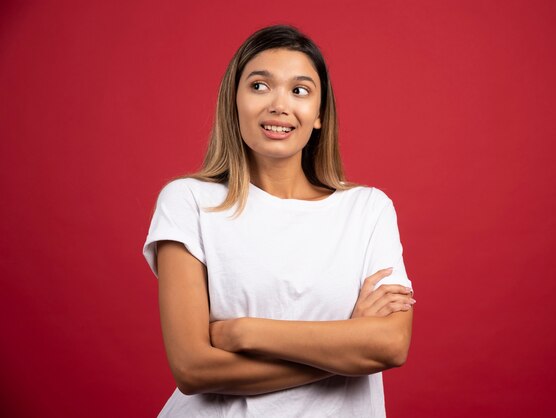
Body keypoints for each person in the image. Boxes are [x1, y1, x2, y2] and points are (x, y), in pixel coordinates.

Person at [142, 24, 415, 418]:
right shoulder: (188, 202)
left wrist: (244, 332)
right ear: (233, 102)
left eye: (300, 90)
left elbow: (390, 345)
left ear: (319, 114)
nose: (279, 105)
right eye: (259, 86)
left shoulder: (368, 210)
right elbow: (193, 369)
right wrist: (346, 349)